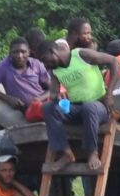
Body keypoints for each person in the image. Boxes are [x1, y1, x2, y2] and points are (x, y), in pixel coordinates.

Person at [43, 39, 113, 171]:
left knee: (89, 107)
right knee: (47, 108)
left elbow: (114, 62)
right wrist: (57, 96)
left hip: (99, 106)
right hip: (76, 108)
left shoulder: (81, 55)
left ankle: (92, 152)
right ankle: (66, 153)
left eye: (45, 59)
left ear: (53, 52)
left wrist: (109, 93)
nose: (45, 64)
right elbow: (52, 93)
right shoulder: (55, 71)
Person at [0, 37, 53, 118]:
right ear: (10, 54)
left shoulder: (36, 64)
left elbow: (52, 89)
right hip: (27, 110)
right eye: (15, 52)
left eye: (23, 52)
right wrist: (8, 98)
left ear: (29, 52)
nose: (19, 56)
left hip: (44, 102)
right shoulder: (3, 67)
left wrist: (38, 99)